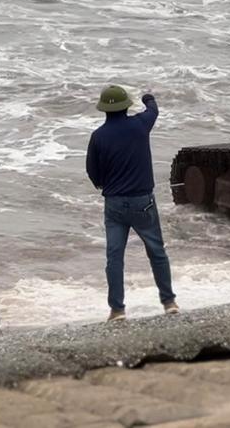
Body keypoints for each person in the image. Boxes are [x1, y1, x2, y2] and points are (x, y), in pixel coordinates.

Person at [86, 85, 178, 322]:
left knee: (114, 257)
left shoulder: (98, 136)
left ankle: (117, 310)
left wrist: (103, 183)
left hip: (115, 204)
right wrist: (148, 96)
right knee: (157, 251)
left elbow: (92, 172)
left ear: (104, 109)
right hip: (142, 202)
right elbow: (153, 110)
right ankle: (169, 302)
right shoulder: (140, 125)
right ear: (125, 106)